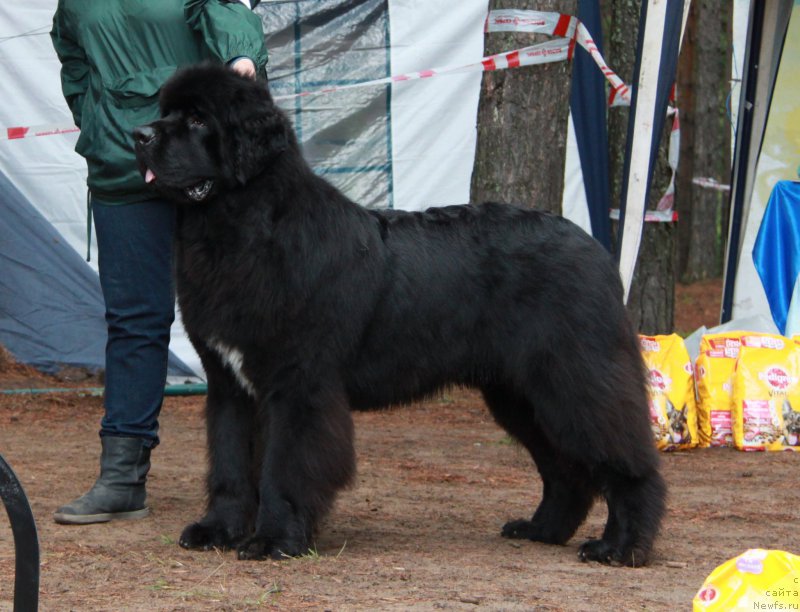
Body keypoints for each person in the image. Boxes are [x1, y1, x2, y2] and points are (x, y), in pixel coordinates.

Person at [50, 0, 268, 525]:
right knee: (134, 321)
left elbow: (225, 10)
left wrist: (241, 57)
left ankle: (264, 480)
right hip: (123, 169)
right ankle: (122, 479)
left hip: (207, 167)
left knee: (253, 317)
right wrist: (97, 120)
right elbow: (73, 57)